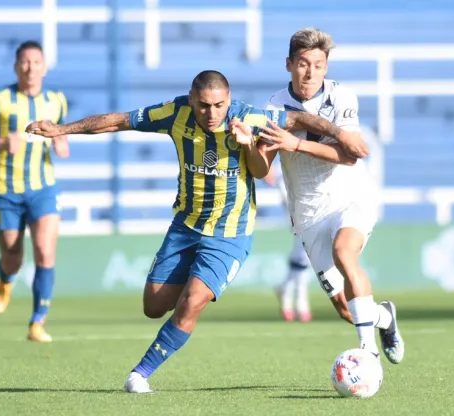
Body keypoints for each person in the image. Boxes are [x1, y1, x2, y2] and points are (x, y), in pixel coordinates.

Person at [26, 70, 364, 393]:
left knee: (192, 302)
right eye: (203, 105)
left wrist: (337, 133)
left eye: (218, 105)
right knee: (154, 305)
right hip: (186, 227)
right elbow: (118, 120)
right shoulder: (175, 112)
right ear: (192, 98)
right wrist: (61, 129)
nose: (211, 113)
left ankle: (140, 374)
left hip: (229, 234)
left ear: (228, 99)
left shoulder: (250, 119)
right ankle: (182, 305)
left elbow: (279, 147)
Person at [257, 28, 405, 364]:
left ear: (326, 67)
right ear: (289, 64)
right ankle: (385, 318)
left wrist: (295, 143)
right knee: (346, 309)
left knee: (344, 253)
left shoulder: (341, 97)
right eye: (303, 64)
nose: (310, 72)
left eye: (318, 65)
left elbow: (350, 154)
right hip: (309, 212)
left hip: (349, 197)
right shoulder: (273, 107)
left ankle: (367, 352)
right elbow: (263, 160)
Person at [0, 40, 70, 343]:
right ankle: (5, 278)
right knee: (13, 257)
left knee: (45, 253)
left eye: (36, 62)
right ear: (15, 67)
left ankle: (37, 322)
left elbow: (61, 132)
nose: (30, 68)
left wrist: (62, 140)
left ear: (44, 68)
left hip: (43, 188)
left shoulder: (57, 101)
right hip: (6, 189)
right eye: (24, 62)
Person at [263, 161, 313, 322]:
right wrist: (267, 163)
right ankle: (300, 301)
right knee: (305, 239)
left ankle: (287, 290)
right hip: (291, 177)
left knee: (305, 245)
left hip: (310, 181)